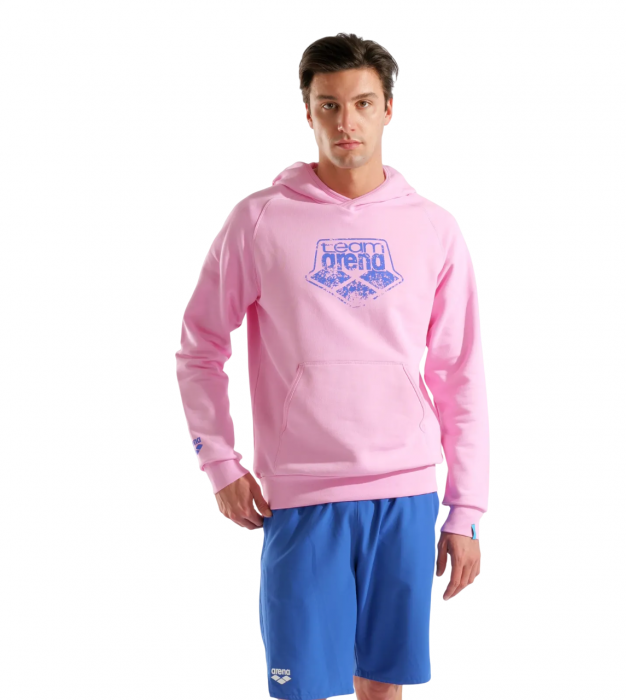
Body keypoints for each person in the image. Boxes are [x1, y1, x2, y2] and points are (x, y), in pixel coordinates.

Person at [175, 32, 489, 700]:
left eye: (363, 103)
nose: (347, 121)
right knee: (302, 690)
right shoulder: (259, 221)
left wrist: (465, 509)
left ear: (389, 109)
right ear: (308, 112)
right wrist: (219, 462)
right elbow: (199, 345)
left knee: (383, 688)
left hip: (405, 495)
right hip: (304, 496)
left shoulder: (434, 229)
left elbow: (459, 374)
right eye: (330, 105)